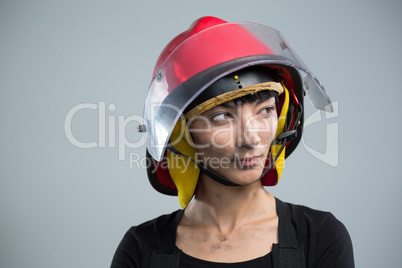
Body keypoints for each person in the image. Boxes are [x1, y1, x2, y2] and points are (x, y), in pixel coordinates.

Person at [111, 16, 354, 267]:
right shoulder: (141, 249)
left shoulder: (320, 238)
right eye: (222, 116)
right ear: (179, 134)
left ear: (284, 119)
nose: (251, 138)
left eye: (265, 111)